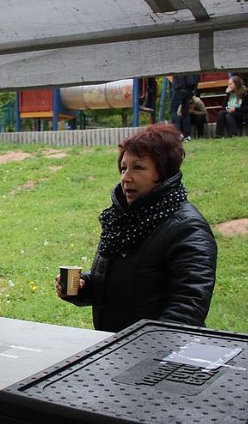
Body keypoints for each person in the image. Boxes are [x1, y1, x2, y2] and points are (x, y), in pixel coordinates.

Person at [55, 122, 217, 332]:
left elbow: (188, 310)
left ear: (163, 172)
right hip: (116, 349)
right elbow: (124, 284)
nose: (126, 178)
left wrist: (142, 352)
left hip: (154, 355)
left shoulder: (188, 230)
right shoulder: (122, 220)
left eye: (138, 168)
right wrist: (82, 287)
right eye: (123, 168)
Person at [170, 73, 200, 141]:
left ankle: (178, 133)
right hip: (189, 89)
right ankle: (187, 135)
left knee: (173, 111)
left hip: (180, 88)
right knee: (185, 112)